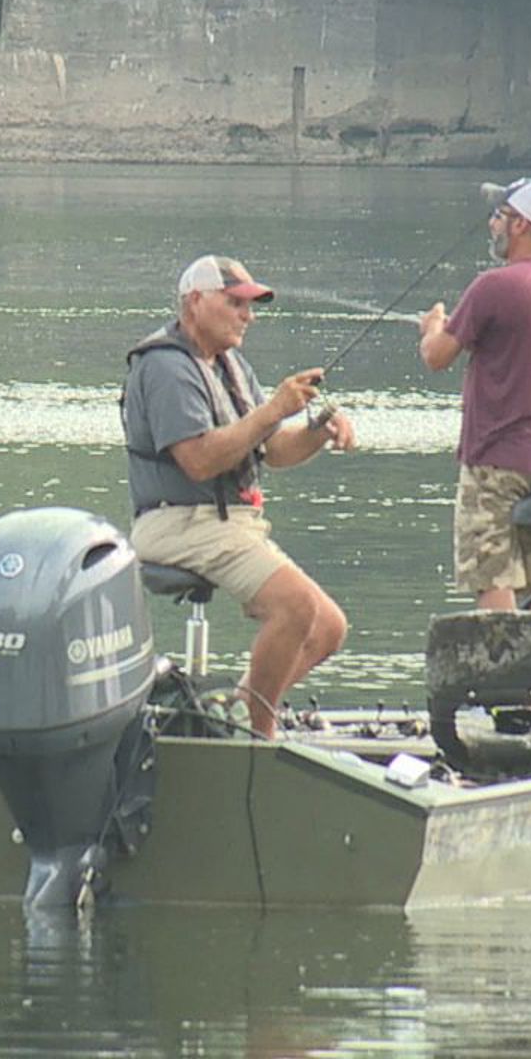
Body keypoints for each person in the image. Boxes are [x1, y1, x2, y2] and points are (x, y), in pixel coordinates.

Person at [121, 254, 355, 739]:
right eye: (236, 303)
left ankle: (235, 712)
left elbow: (274, 451)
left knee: (328, 628)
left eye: (251, 306)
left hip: (226, 524)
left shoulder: (230, 364)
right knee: (295, 608)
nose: (248, 316)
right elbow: (200, 461)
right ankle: (259, 737)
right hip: (177, 523)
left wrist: (318, 430)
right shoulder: (166, 366)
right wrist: (272, 410)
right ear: (194, 303)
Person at [418, 177, 531, 610]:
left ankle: (505, 674)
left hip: (497, 458)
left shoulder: (494, 286)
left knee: (492, 576)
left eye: (499, 216)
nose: (492, 225)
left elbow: (436, 357)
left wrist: (432, 328)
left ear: (519, 225)